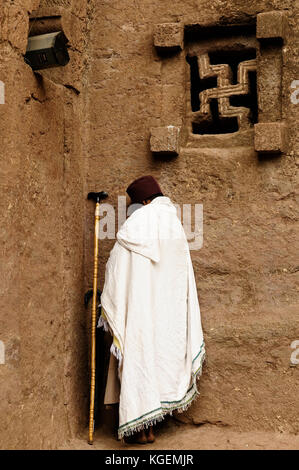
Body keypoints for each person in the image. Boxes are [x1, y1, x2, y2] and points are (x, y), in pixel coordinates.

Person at [98, 175, 205, 444]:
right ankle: (151, 428)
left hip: (138, 309)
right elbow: (181, 275)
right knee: (157, 361)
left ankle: (141, 429)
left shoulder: (137, 224)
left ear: (144, 201)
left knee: (137, 359)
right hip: (166, 314)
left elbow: (117, 266)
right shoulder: (174, 224)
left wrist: (111, 299)